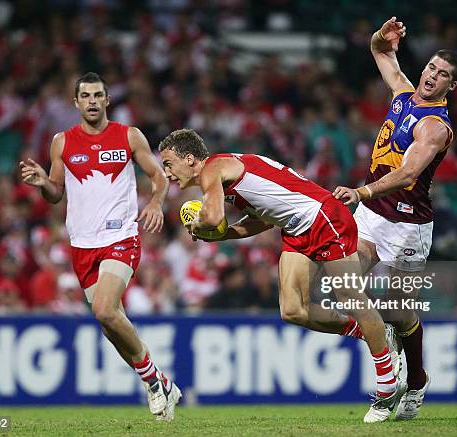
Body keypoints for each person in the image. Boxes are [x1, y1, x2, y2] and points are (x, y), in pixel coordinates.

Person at [159, 128, 407, 423]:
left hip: (323, 216)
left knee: (348, 294)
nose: (167, 173)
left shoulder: (213, 169)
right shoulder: (225, 174)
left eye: (168, 164)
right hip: (296, 229)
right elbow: (262, 221)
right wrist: (221, 236)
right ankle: (372, 333)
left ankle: (387, 386)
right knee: (292, 310)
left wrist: (199, 223)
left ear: (189, 159)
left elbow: (212, 218)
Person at [19, 72, 180, 421]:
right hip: (82, 243)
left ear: (107, 100)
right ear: (75, 103)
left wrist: (154, 203)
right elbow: (56, 193)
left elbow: (159, 176)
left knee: (105, 309)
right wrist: (42, 182)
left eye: (98, 95)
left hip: (120, 237)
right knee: (110, 322)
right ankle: (159, 382)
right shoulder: (62, 142)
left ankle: (153, 380)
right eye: (85, 96)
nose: (92, 101)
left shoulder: (128, 135)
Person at [333, 17, 457, 420]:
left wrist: (361, 191)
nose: (432, 76)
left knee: (400, 311)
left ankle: (418, 379)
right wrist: (381, 36)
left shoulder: (435, 127)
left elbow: (408, 174)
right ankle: (386, 367)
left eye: (443, 75)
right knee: (342, 283)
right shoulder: (404, 94)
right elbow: (380, 51)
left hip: (408, 225)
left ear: (450, 86)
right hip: (372, 216)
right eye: (430, 68)